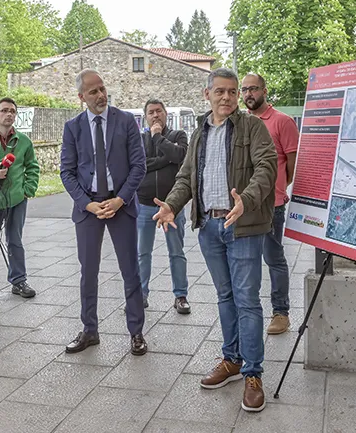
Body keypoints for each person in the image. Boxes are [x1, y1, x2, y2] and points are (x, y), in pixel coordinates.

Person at [153, 68, 276, 413]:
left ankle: (253, 374)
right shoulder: (199, 134)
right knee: (225, 296)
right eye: (220, 91)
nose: (227, 97)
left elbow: (267, 168)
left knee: (247, 300)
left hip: (244, 225)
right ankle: (232, 359)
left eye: (232, 92)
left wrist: (246, 200)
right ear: (206, 94)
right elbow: (186, 177)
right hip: (209, 226)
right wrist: (173, 206)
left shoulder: (252, 127)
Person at [60, 69, 148, 356]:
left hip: (120, 206)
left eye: (102, 89)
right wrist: (86, 203)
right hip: (89, 207)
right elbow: (67, 171)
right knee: (88, 271)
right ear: (81, 97)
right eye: (93, 91)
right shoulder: (73, 127)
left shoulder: (125, 121)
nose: (100, 95)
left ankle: (136, 332)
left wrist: (121, 200)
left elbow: (139, 166)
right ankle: (89, 330)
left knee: (130, 270)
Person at [241, 73, 299, 335]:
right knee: (246, 260)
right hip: (243, 204)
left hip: (271, 205)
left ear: (265, 91)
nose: (248, 94)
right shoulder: (240, 122)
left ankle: (281, 312)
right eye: (244, 90)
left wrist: (278, 190)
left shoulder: (282, 122)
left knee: (273, 258)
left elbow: (293, 165)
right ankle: (248, 311)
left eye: (253, 89)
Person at [0, 97, 40, 303]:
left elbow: (32, 167)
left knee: (15, 241)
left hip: (16, 199)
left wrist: (27, 190)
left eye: (13, 111)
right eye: (4, 110)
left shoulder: (24, 141)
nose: (9, 114)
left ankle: (19, 281)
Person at [136, 99, 190, 313]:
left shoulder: (178, 136)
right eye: (151, 112)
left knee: (176, 252)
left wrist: (158, 138)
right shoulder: (139, 139)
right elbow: (139, 165)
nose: (155, 115)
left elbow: (180, 156)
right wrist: (165, 159)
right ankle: (140, 295)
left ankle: (181, 295)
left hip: (172, 205)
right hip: (144, 205)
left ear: (166, 114)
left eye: (159, 111)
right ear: (146, 117)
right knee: (142, 252)